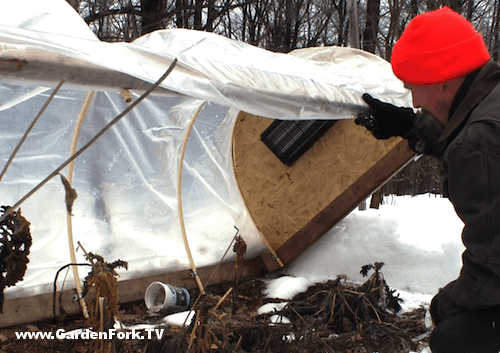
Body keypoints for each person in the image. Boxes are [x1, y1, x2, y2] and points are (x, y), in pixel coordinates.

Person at [355, 6, 500, 353]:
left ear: (444, 80)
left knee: (456, 337)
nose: (416, 100)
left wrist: (448, 303)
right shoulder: (489, 102)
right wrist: (408, 123)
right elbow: (460, 129)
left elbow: (494, 265)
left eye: (415, 88)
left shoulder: (479, 143)